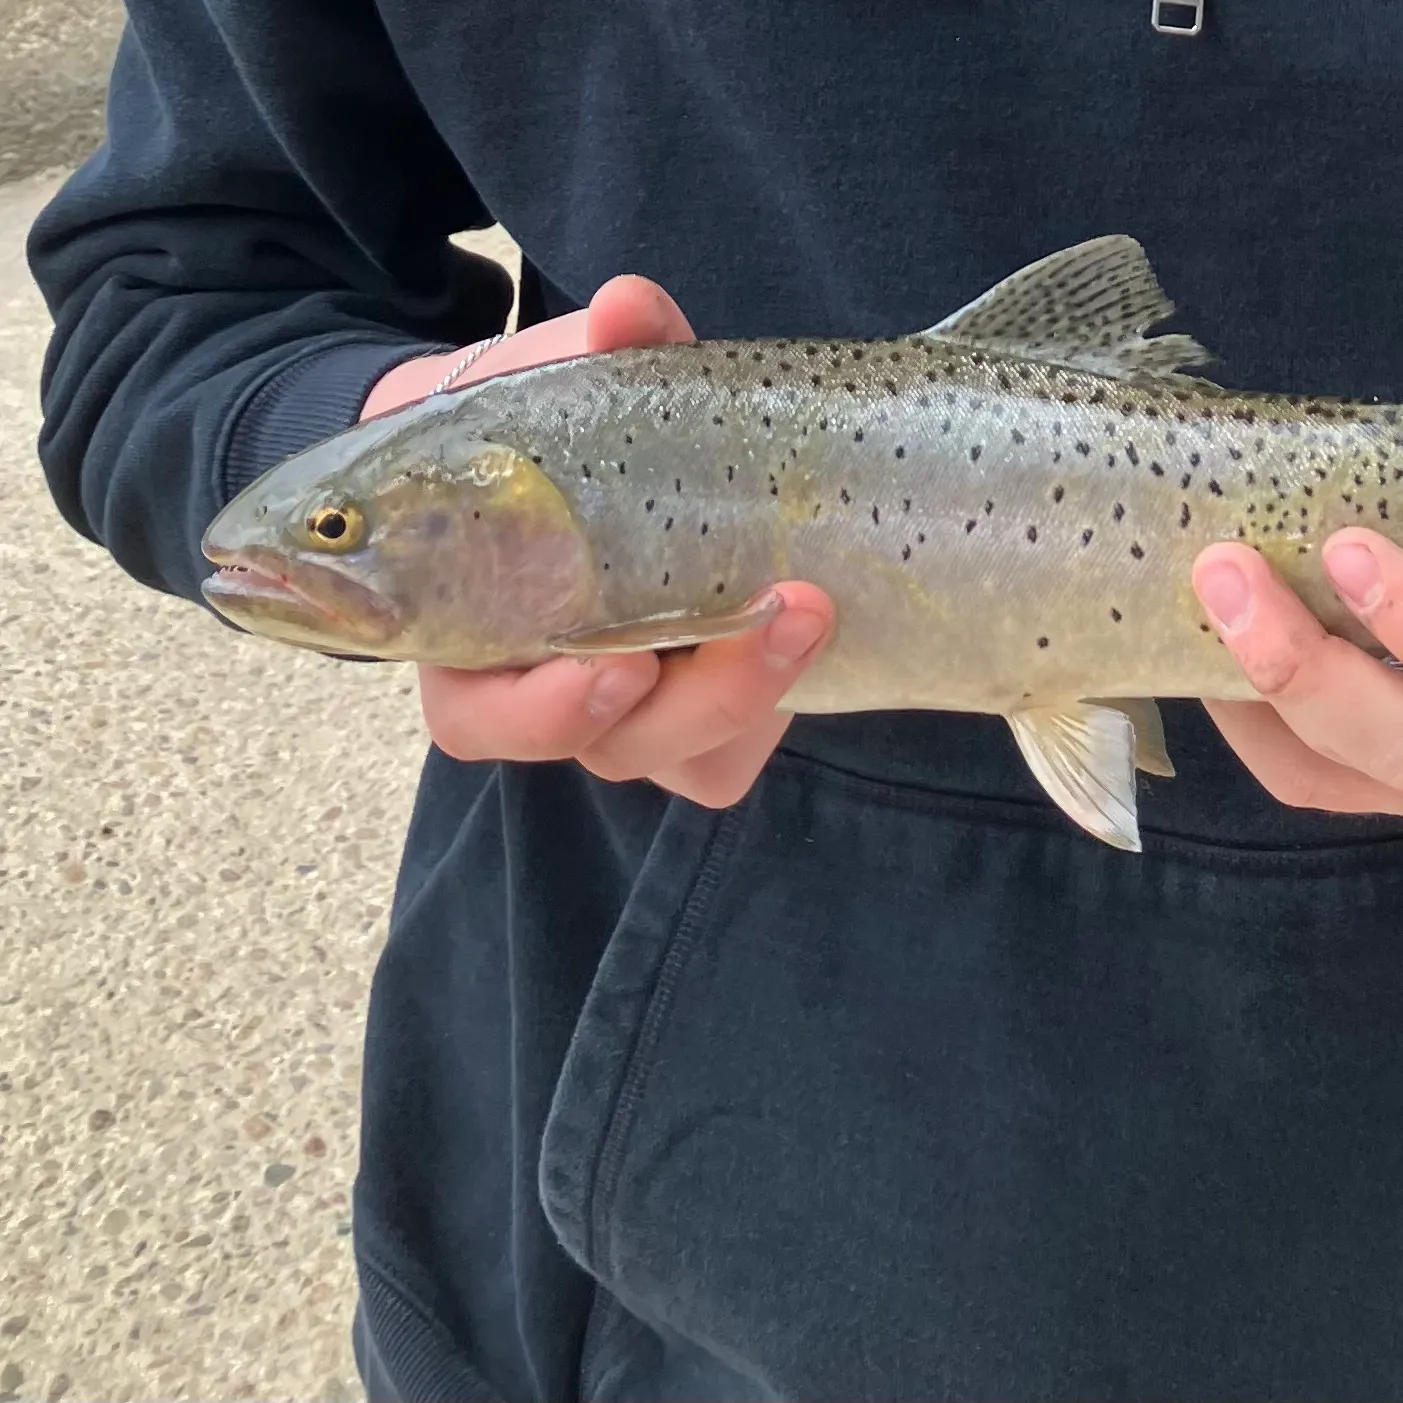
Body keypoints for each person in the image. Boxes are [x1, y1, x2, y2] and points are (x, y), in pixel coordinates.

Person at [26, 1, 1403, 1397]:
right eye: (347, 533)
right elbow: (180, 290)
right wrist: (362, 406)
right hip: (657, 1239)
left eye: (343, 530)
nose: (322, 551)